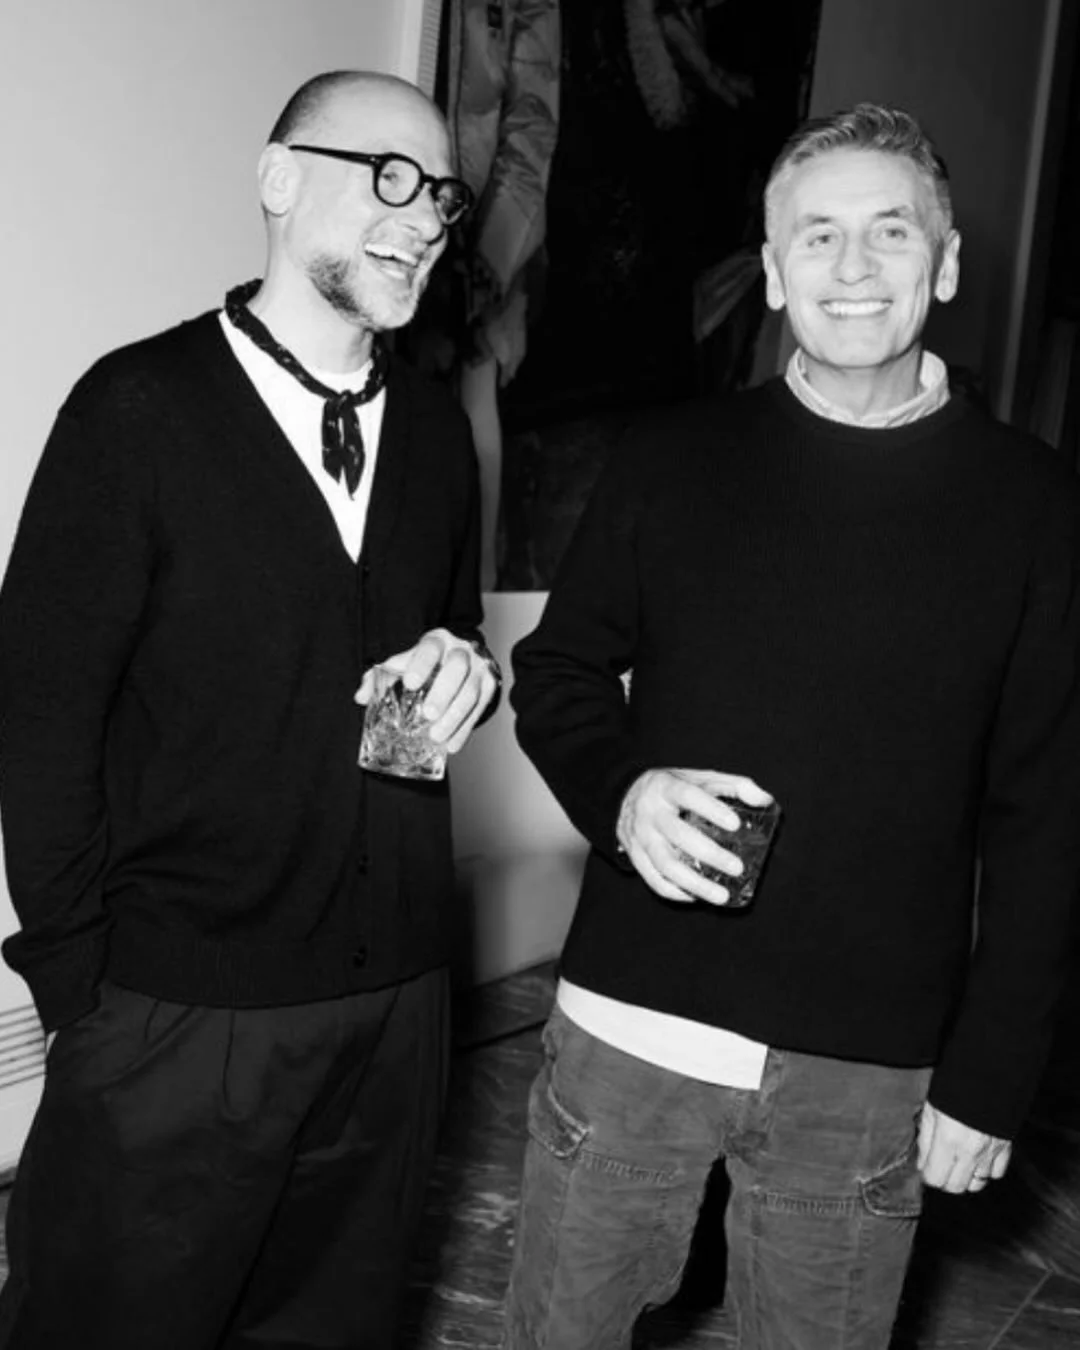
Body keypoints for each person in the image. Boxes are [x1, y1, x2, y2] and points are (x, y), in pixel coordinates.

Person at [502, 103, 1080, 1349]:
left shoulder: (1039, 509)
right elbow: (558, 671)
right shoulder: (670, 459)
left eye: (891, 232)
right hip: (633, 1031)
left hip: (864, 1071)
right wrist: (622, 795)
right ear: (772, 272)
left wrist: (991, 1075)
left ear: (947, 262)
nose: (852, 267)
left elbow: (1050, 817)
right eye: (817, 236)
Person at [0, 69, 499, 1350]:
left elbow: (446, 645)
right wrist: (78, 993)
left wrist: (467, 671)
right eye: (388, 176)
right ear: (278, 180)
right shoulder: (136, 411)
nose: (424, 218)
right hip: (177, 1012)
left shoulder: (439, 434)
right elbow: (40, 718)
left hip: (394, 1008)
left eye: (442, 196)